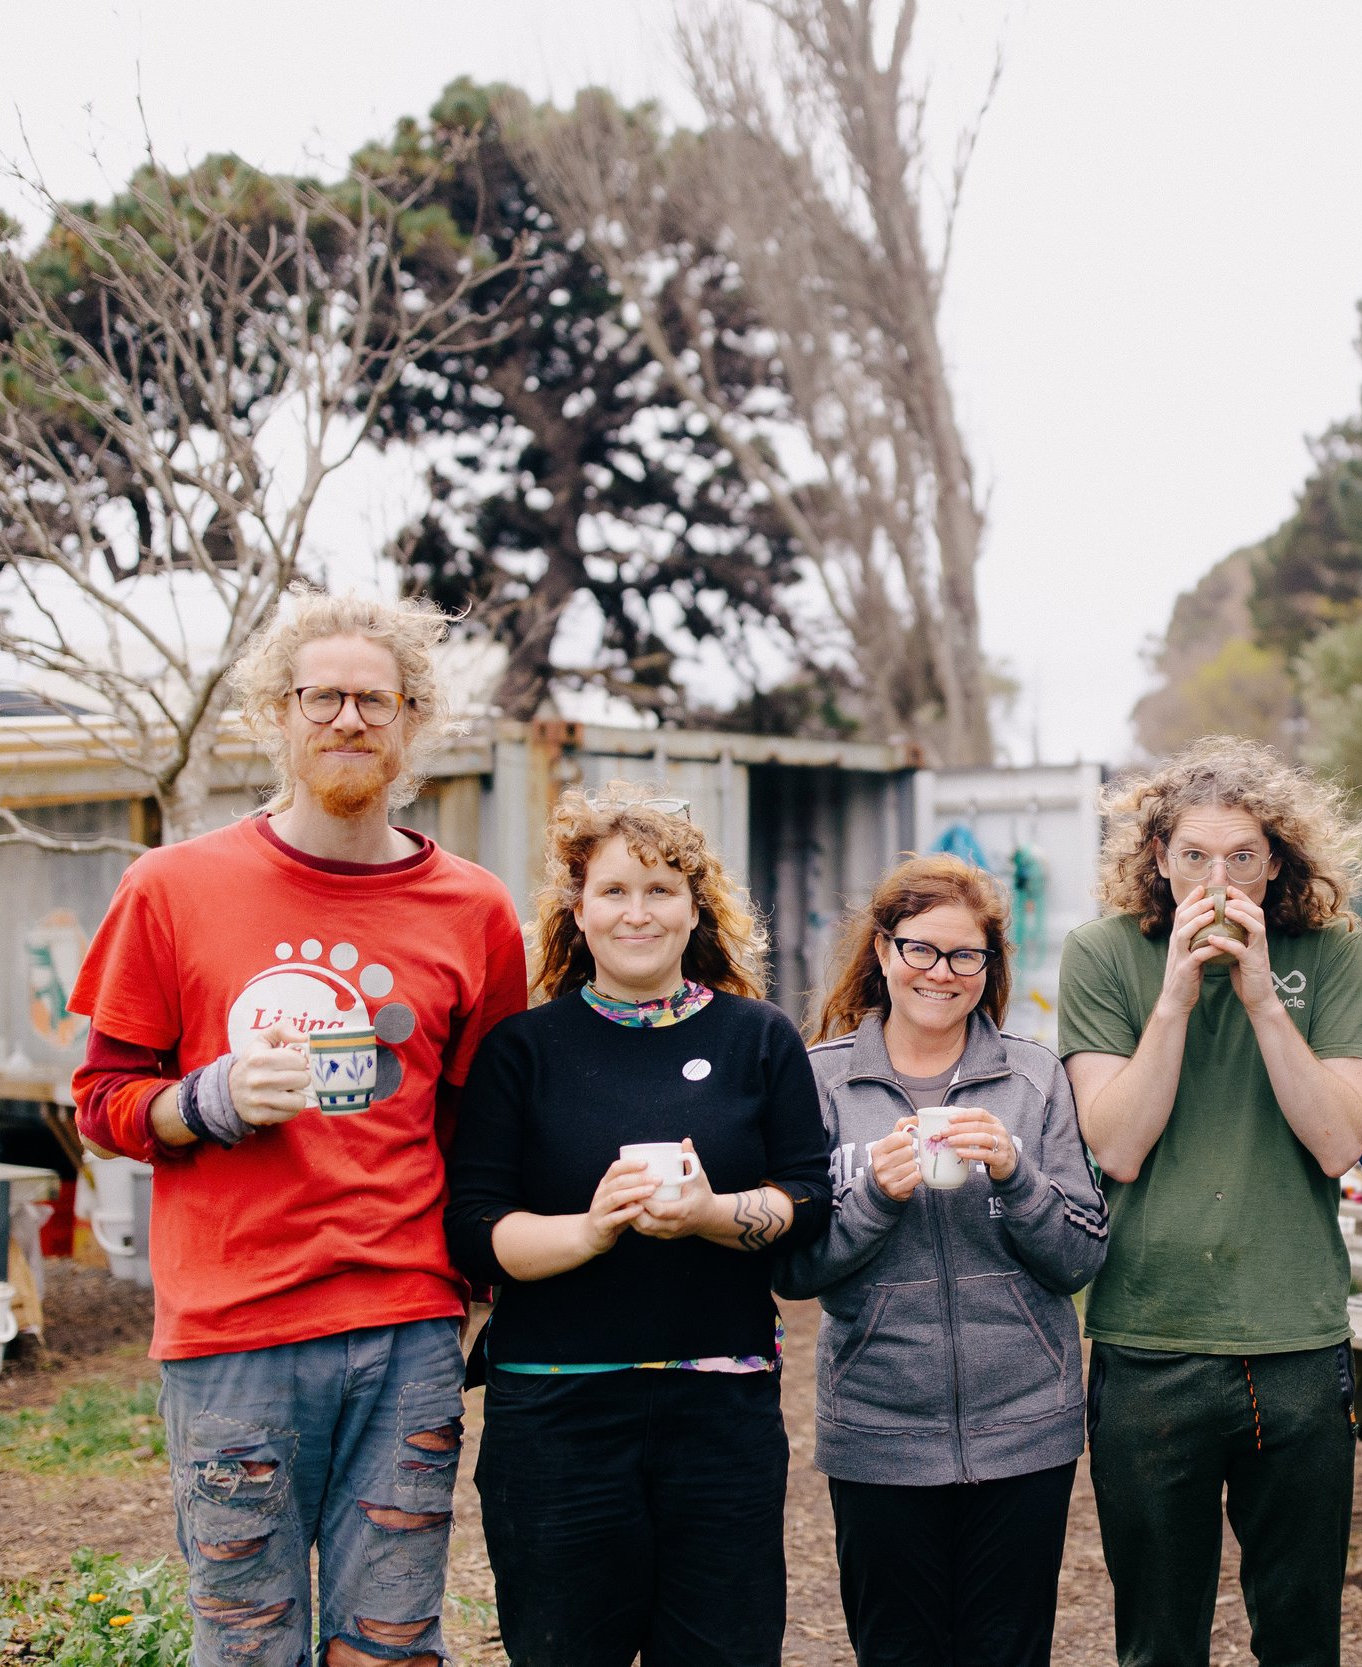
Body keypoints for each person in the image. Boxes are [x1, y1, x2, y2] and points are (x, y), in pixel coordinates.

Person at [71, 588, 530, 1667]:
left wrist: (491, 1285)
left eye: (377, 699)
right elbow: (99, 1099)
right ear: (277, 711)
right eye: (322, 696)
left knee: (392, 1641)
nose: (348, 719)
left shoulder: (474, 909)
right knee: (247, 1642)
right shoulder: (170, 887)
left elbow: (482, 1127)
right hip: (233, 1334)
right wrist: (207, 1100)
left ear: (414, 720)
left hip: (407, 1327)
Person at [446, 785, 832, 1667]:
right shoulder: (522, 1051)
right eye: (614, 890)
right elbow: (473, 1228)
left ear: (696, 908)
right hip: (555, 1419)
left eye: (661, 890)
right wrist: (588, 1231)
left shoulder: (758, 1038)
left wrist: (711, 1214)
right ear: (577, 910)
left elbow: (807, 1199)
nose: (637, 911)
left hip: (720, 1415)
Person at [1056, 735, 1362, 1667]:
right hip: (1149, 1339)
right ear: (1158, 858)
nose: (1216, 880)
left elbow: (1341, 1141)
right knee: (1159, 1642)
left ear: (1275, 860)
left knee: (1301, 1637)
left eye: (1242, 856)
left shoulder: (1331, 951)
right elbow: (1116, 1145)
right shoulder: (1102, 953)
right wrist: (1173, 999)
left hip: (1295, 1341)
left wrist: (1262, 1000)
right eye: (1194, 855)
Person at [779, 854, 1108, 1667]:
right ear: (883, 950)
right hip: (878, 1431)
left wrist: (1017, 1175)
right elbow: (793, 1270)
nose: (942, 972)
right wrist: (874, 1198)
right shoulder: (822, 1081)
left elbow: (1079, 1256)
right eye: (921, 948)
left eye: (966, 955)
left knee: (1009, 1652)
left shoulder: (1032, 1077)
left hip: (1025, 1430)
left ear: (989, 966)